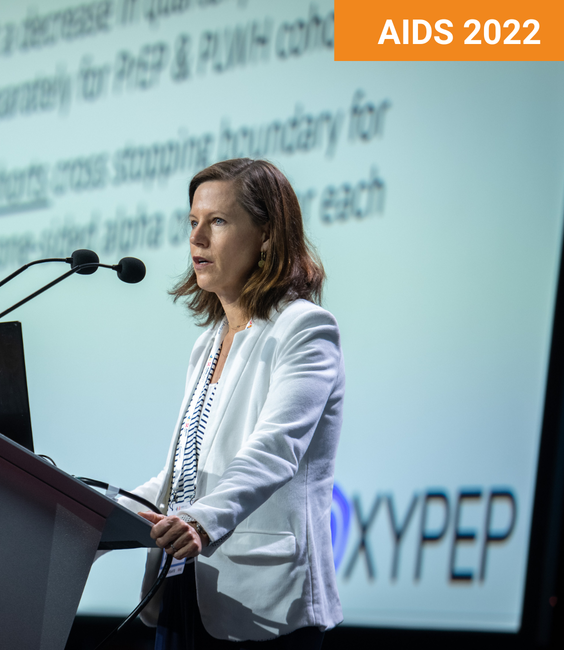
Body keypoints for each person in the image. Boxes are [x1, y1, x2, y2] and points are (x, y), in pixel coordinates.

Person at [131, 159, 344, 649]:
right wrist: (99, 513)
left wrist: (201, 521)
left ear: (267, 235)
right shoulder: (208, 342)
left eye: (218, 222)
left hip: (264, 608)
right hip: (184, 589)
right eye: (192, 222)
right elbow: (187, 471)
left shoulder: (305, 329)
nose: (197, 239)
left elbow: (275, 449)